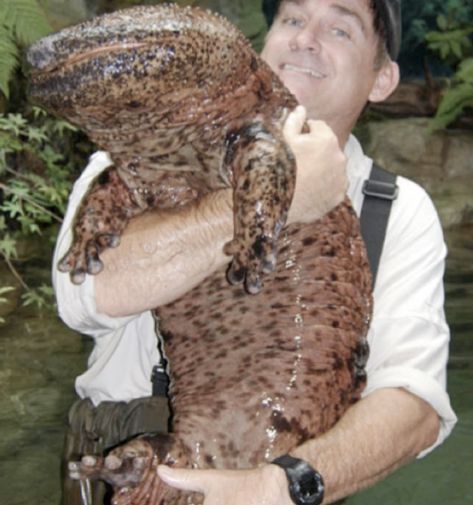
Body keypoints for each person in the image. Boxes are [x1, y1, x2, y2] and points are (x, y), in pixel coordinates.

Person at [54, 1, 457, 504]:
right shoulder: (140, 150)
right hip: (130, 473)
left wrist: (281, 485)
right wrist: (280, 199)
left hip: (287, 477)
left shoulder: (399, 209)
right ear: (259, 48)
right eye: (291, 19)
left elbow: (413, 408)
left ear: (382, 78)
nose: (304, 38)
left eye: (339, 29)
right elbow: (85, 296)